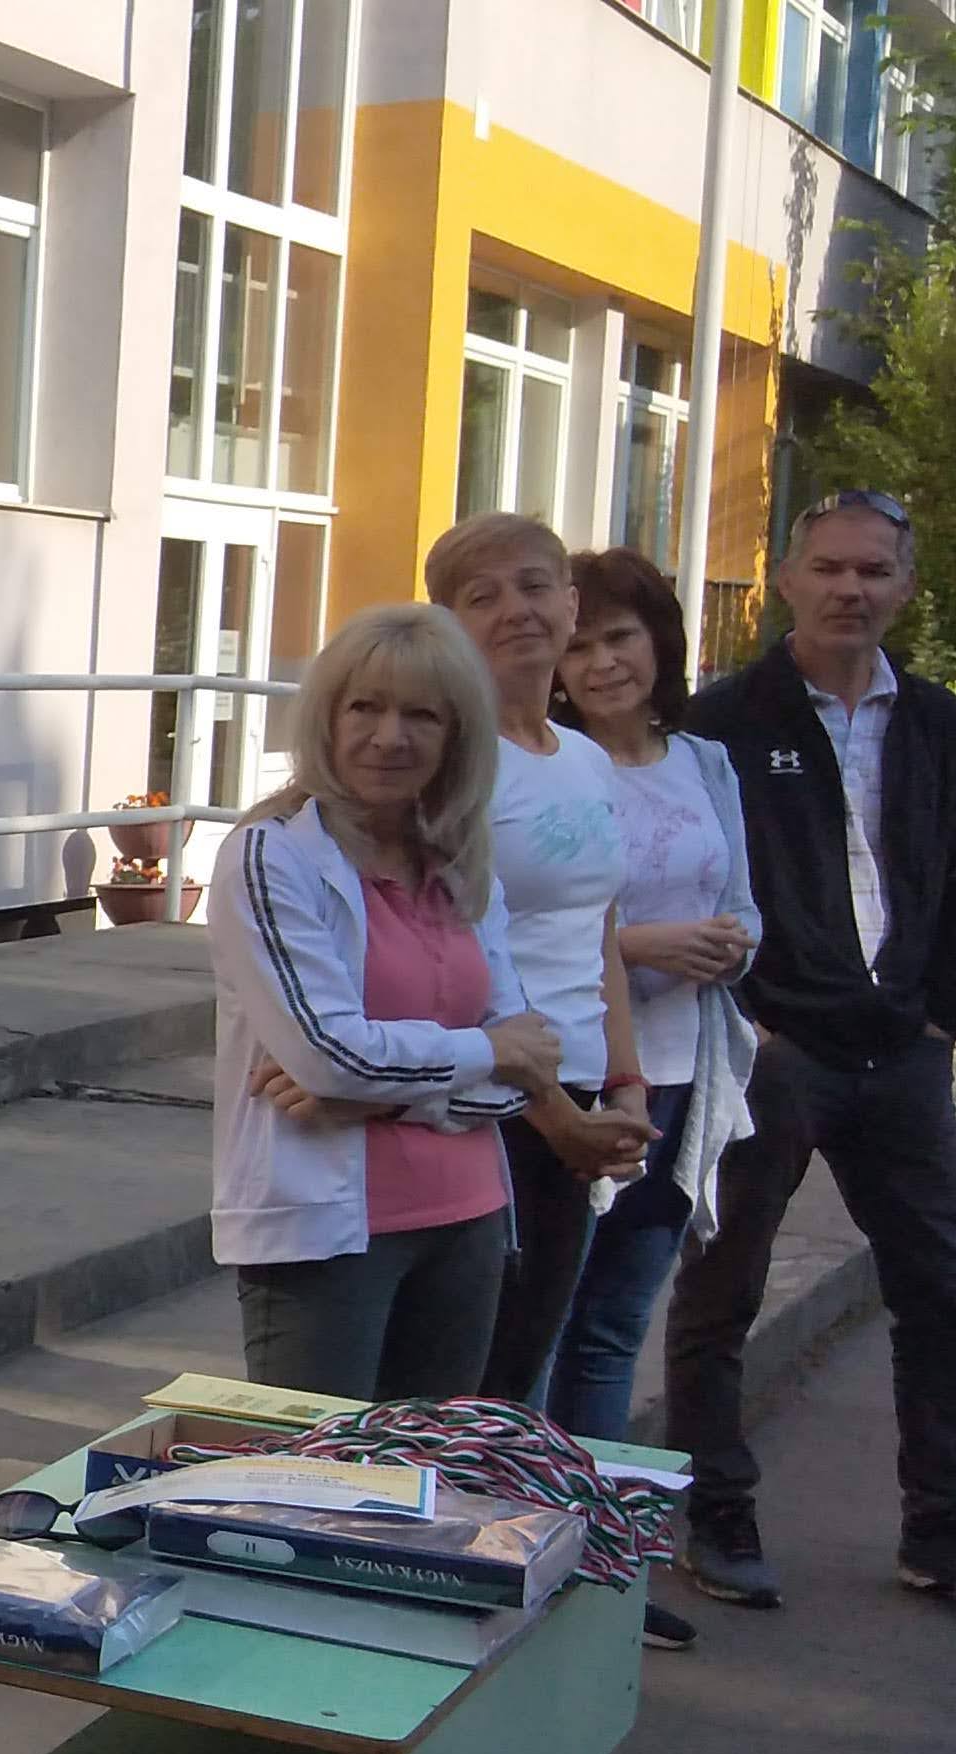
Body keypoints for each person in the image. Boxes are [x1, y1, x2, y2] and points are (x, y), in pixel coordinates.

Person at [157, 603, 564, 1754]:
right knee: (291, 1531)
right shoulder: (272, 853)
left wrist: (407, 1077)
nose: (388, 736)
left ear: (458, 735)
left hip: (463, 1222)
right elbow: (328, 1057)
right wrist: (464, 1061)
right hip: (326, 1238)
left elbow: (529, 1049)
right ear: (326, 716)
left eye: (421, 714)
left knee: (413, 1530)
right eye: (364, 707)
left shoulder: (455, 861)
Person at [660, 489, 956, 1623]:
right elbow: (688, 875)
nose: (849, 589)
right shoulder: (722, 722)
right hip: (773, 1052)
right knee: (721, 1294)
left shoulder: (932, 720)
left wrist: (941, 1015)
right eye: (828, 567)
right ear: (785, 579)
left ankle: (943, 1527)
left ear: (904, 588)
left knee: (941, 1295)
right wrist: (754, 1019)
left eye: (873, 570)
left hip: (902, 1057)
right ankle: (716, 1514)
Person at [526, 552, 756, 1646]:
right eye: (578, 645)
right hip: (578, 1079)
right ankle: (522, 1545)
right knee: (545, 1320)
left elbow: (743, 902)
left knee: (616, 1326)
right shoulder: (551, 766)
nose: (601, 662)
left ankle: (602, 1560)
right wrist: (646, 945)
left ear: (659, 641)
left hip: (684, 1076)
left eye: (619, 637)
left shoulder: (705, 762)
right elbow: (527, 927)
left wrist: (732, 944)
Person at [424, 515, 660, 1415]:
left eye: (533, 586)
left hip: (581, 1100)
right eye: (482, 597)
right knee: (474, 1388)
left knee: (524, 1377)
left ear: (569, 603)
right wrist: (555, 1116)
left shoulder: (587, 760)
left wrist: (625, 1086)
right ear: (448, 623)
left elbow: (599, 934)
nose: (515, 610)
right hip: (491, 1109)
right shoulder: (451, 764)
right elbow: (449, 958)